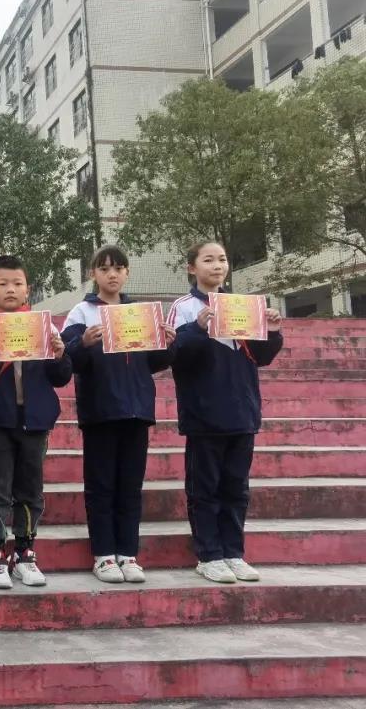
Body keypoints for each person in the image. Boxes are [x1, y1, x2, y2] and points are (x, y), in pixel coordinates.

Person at [166, 241, 282, 584]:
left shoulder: (243, 307)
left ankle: (233, 553)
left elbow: (261, 357)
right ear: (192, 268)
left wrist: (272, 331)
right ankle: (209, 555)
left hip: (242, 412)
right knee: (204, 489)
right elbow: (173, 354)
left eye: (222, 259)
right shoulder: (184, 308)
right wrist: (197, 328)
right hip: (203, 415)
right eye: (208, 260)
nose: (217, 265)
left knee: (236, 489)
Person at [61, 245, 177, 584]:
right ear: (93, 274)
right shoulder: (81, 313)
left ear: (127, 273)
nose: (112, 274)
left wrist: (167, 345)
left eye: (118, 268)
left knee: (130, 486)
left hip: (137, 409)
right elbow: (67, 361)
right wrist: (83, 343)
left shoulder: (140, 313)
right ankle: (103, 555)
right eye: (104, 268)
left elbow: (152, 363)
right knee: (101, 486)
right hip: (100, 411)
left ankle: (128, 553)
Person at [0, 255, 71, 589]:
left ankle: (24, 553)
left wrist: (59, 356)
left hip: (35, 421)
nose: (10, 289)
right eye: (2, 283)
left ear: (28, 289)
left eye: (17, 283)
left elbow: (61, 378)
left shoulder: (45, 326)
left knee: (30, 490)